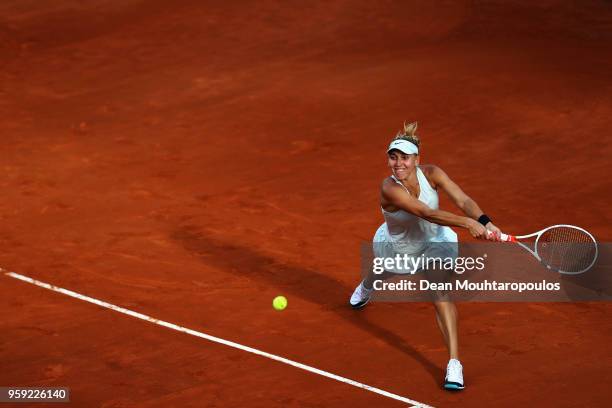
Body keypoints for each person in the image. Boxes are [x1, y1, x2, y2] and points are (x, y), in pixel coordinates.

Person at [349, 121, 501, 391]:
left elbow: (463, 200)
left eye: (404, 158)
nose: (398, 164)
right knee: (384, 271)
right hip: (400, 247)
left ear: (417, 160)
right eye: (393, 157)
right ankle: (367, 285)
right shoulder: (389, 188)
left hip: (434, 244)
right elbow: (425, 212)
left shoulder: (432, 174)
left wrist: (485, 222)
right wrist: (467, 224)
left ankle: (454, 364)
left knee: (440, 294)